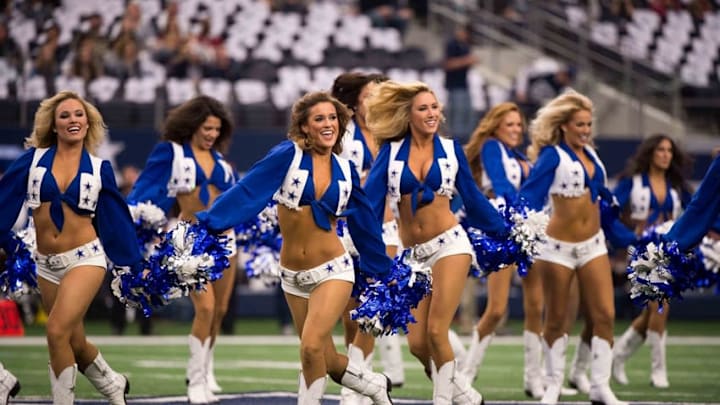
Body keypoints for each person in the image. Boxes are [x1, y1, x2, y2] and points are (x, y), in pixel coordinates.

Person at [189, 91, 393, 404]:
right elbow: (247, 192)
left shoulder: (345, 169)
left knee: (310, 347)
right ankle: (373, 385)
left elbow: (365, 225)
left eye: (333, 118)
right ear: (304, 126)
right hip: (293, 276)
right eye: (319, 119)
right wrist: (207, 223)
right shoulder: (288, 155)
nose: (328, 124)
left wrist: (382, 272)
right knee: (322, 354)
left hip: (334, 269)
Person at [363, 80, 511, 404]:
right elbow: (371, 205)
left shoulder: (450, 149)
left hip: (450, 245)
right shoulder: (390, 152)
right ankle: (465, 396)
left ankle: (443, 401)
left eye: (434, 107)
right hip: (411, 257)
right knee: (417, 344)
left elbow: (471, 198)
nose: (431, 113)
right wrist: (364, 247)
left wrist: (506, 230)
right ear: (408, 115)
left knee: (435, 331)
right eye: (423, 108)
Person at [0, 91, 139, 404]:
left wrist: (133, 264)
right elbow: (4, 203)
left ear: (88, 124)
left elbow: (115, 219)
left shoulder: (99, 167)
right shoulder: (32, 161)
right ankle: (112, 383)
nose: (72, 120)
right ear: (53, 124)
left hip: (86, 259)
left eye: (79, 114)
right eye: (64, 116)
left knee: (56, 331)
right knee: (73, 339)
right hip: (45, 263)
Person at [519, 89, 634, 405]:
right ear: (564, 125)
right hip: (557, 248)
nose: (585, 130)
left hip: (593, 245)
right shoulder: (552, 156)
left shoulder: (593, 156)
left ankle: (600, 386)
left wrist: (629, 239)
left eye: (588, 125)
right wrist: (519, 226)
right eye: (579, 125)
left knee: (605, 314)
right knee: (556, 318)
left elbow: (604, 206)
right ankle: (553, 383)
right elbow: (528, 195)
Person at [126, 95, 238, 404]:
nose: (212, 134)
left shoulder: (222, 163)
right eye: (206, 127)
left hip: (226, 240)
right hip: (189, 239)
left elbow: (238, 198)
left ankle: (207, 366)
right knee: (205, 307)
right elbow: (146, 187)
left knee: (219, 311)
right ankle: (195, 379)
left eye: (217, 129)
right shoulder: (172, 152)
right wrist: (131, 215)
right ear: (192, 125)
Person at [459, 102, 545, 398]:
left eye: (519, 125)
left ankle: (533, 378)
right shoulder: (491, 147)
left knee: (536, 306)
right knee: (496, 309)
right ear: (495, 126)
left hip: (527, 229)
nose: (516, 130)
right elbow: (500, 184)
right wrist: (519, 216)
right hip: (503, 228)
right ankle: (466, 375)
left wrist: (532, 220)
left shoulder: (520, 155)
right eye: (509, 124)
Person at [332, 72, 407, 402]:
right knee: (351, 314)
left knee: (373, 308)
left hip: (385, 228)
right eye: (368, 96)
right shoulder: (343, 133)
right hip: (347, 226)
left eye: (380, 96)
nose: (374, 102)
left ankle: (356, 389)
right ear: (354, 101)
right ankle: (360, 380)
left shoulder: (390, 134)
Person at [609, 134, 693, 389]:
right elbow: (610, 211)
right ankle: (658, 371)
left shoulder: (676, 185)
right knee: (660, 306)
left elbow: (695, 213)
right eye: (660, 150)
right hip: (643, 251)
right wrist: (628, 235)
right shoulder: (632, 183)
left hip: (670, 251)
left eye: (669, 150)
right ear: (650, 153)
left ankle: (618, 356)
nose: (666, 154)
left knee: (652, 312)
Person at [443, 24, 478, 140]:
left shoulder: (466, 46)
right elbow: (448, 64)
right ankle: (456, 141)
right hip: (454, 85)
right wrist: (466, 61)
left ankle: (467, 141)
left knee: (468, 115)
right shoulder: (452, 45)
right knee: (457, 115)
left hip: (464, 84)